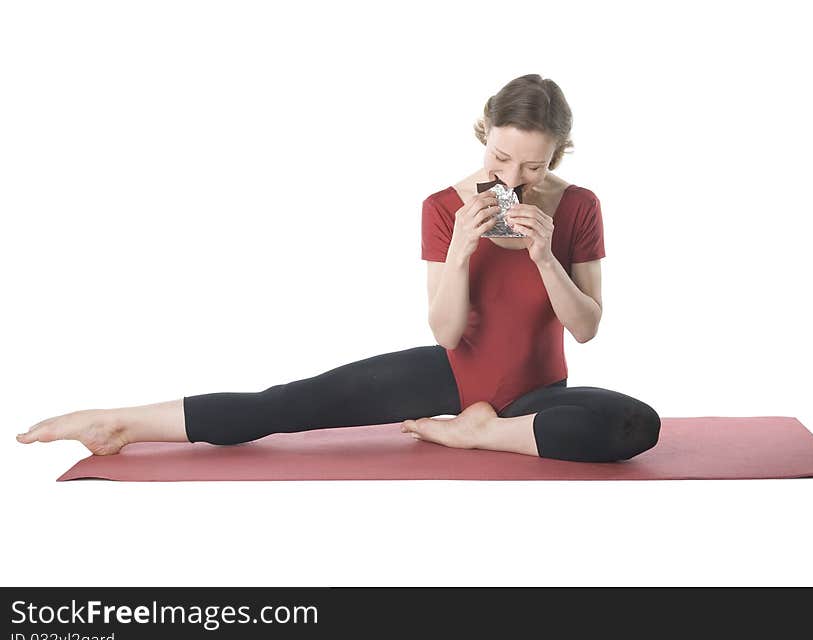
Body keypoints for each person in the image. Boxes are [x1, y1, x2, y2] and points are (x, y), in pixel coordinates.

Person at [15, 73, 661, 462]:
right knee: (285, 403)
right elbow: (444, 332)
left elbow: (586, 329)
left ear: (557, 155)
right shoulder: (441, 206)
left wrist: (546, 255)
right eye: (500, 159)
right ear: (484, 132)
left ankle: (483, 435)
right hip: (451, 375)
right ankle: (120, 421)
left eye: (534, 167)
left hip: (539, 397)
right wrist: (462, 249)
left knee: (635, 425)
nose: (514, 179)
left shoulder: (579, 207)